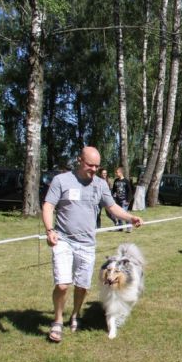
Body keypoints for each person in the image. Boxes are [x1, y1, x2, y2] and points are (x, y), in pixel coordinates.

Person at [42, 147, 143, 343]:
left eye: (97, 166)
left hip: (87, 243)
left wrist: (130, 218)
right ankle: (57, 321)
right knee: (63, 285)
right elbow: (48, 206)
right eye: (90, 165)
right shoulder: (61, 180)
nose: (94, 169)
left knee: (82, 286)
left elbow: (112, 207)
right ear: (79, 160)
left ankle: (76, 314)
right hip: (63, 240)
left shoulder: (100, 184)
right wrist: (49, 230)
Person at [111, 166, 133, 231]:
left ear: (121, 172)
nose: (116, 173)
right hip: (118, 200)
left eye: (117, 172)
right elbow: (114, 190)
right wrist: (113, 196)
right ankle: (120, 227)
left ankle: (129, 227)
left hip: (125, 200)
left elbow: (130, 191)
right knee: (118, 213)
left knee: (124, 214)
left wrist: (128, 200)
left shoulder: (126, 181)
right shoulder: (116, 181)